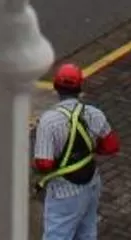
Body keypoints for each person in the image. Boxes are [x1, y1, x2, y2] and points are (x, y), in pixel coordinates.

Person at [33, 62, 119, 238]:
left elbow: (44, 163)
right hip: (91, 182)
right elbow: (112, 146)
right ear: (80, 87)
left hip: (64, 190)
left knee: (57, 234)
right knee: (87, 230)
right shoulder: (94, 114)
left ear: (56, 86)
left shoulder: (48, 121)